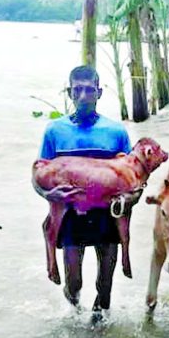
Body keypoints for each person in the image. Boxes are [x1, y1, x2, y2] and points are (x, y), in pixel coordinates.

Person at [33, 65, 135, 323]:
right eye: (77, 90)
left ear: (99, 93)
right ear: (69, 92)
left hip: (107, 214)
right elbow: (38, 174)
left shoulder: (116, 132)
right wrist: (48, 193)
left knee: (105, 285)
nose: (83, 95)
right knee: (74, 283)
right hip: (71, 214)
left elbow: (133, 180)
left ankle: (99, 332)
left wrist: (129, 199)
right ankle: (75, 315)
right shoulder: (55, 131)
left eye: (89, 90)